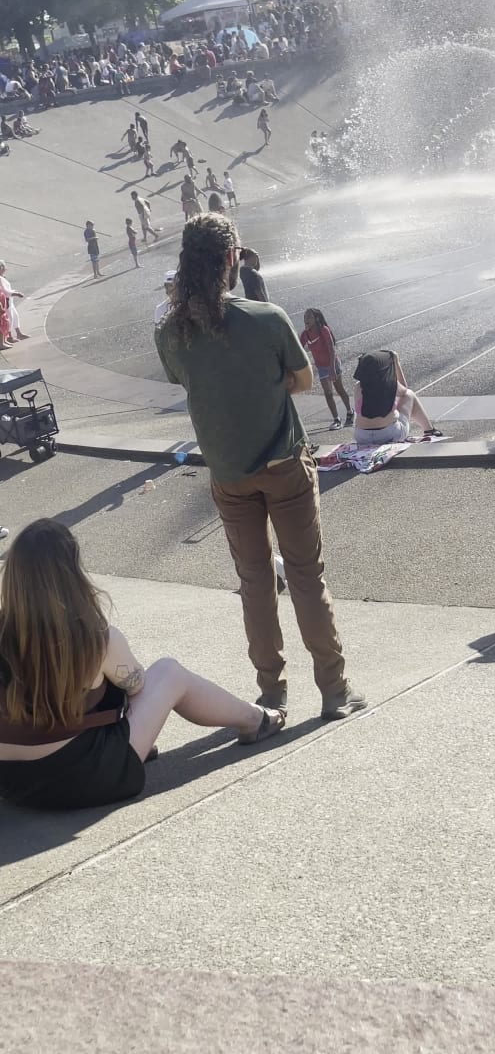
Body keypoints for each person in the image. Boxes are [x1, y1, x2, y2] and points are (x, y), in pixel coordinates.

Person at [155, 214, 366, 721]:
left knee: (254, 582)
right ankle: (334, 691)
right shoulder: (267, 318)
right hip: (283, 464)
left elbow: (191, 384)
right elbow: (301, 382)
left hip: (228, 474)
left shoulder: (170, 332)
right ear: (232, 259)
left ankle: (271, 694)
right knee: (306, 577)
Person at [0, 520, 284, 811]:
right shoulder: (96, 639)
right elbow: (136, 686)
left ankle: (138, 744)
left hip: (11, 782)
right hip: (82, 779)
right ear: (72, 574)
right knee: (169, 674)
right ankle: (255, 719)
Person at [353, 350, 440, 445]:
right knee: (409, 395)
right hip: (390, 435)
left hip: (361, 436)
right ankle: (429, 430)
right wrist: (396, 363)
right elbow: (404, 391)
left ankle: (428, 429)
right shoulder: (389, 384)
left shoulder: (358, 386)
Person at [301, 308, 353, 430]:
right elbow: (298, 348)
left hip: (332, 363)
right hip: (321, 367)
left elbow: (331, 349)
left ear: (316, 319)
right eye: (305, 317)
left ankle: (350, 411)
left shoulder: (323, 330)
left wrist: (332, 369)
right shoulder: (305, 334)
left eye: (309, 317)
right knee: (328, 393)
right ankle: (336, 420)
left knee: (339, 389)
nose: (306, 319)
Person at [0, 261, 28, 341]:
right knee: (9, 318)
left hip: (9, 301)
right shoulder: (0, 279)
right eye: (4, 267)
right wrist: (16, 293)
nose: (5, 269)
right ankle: (9, 337)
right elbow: (5, 292)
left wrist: (13, 292)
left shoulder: (2, 277)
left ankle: (18, 333)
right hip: (6, 301)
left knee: (15, 316)